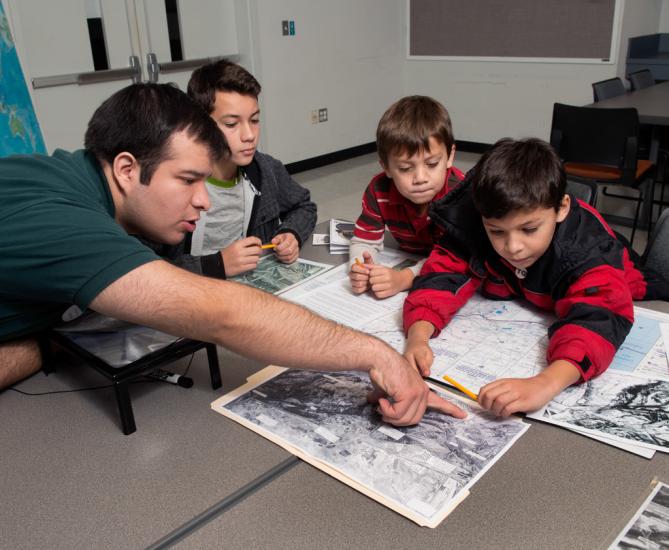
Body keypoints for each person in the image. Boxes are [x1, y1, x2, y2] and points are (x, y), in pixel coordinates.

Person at [0, 82, 465, 426]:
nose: (204, 200)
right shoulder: (64, 221)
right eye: (187, 180)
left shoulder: (63, 181)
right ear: (126, 168)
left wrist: (49, 340)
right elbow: (222, 314)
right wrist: (379, 356)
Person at [403, 137, 669, 417]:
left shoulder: (589, 251)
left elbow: (598, 318)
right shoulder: (476, 218)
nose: (513, 247)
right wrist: (418, 337)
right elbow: (443, 273)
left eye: (529, 229)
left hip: (635, 283)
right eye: (496, 231)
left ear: (562, 208)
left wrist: (545, 383)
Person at [173, 59, 317, 278]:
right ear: (201, 125)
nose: (249, 135)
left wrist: (290, 233)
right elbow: (144, 269)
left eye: (255, 120)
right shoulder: (172, 183)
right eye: (232, 124)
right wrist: (217, 264)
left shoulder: (265, 169)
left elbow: (304, 206)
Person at [348, 96, 464, 299]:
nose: (420, 178)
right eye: (405, 168)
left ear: (450, 156)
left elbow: (454, 259)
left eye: (431, 164)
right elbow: (364, 240)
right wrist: (359, 268)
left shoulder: (460, 194)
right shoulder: (378, 190)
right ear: (386, 167)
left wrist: (404, 279)